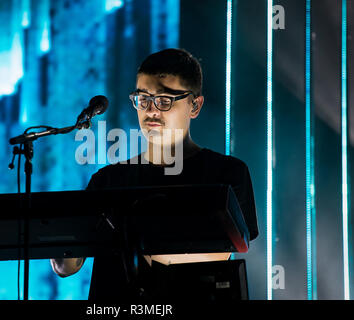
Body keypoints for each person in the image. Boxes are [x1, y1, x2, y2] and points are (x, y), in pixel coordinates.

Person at [50, 48, 259, 300]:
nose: (151, 111)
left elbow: (216, 254)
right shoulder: (108, 180)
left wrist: (130, 243)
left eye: (164, 100)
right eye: (143, 99)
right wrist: (60, 234)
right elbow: (66, 267)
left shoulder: (226, 173)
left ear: (195, 105)